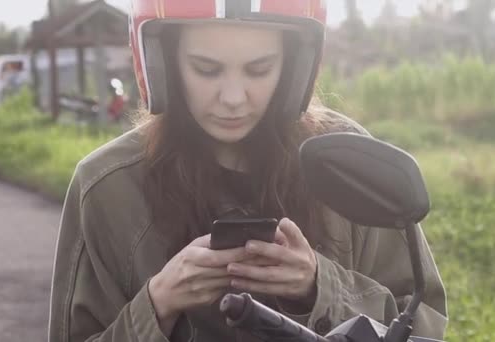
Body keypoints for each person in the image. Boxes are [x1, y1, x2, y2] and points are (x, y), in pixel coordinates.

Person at [48, 1, 448, 342]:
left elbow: (425, 324)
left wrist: (320, 288)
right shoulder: (107, 187)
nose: (233, 98)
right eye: (206, 70)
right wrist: (158, 304)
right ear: (162, 62)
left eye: (259, 70)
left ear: (294, 66)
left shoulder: (347, 163)